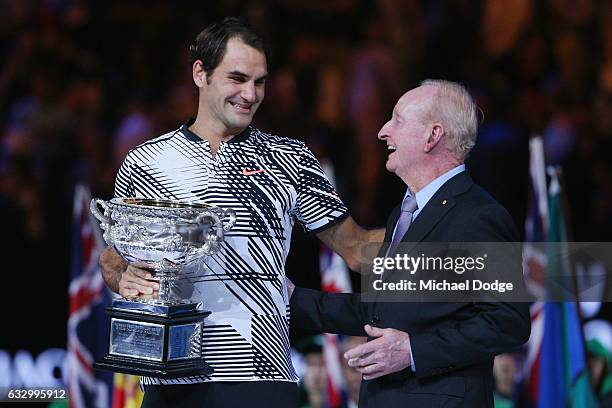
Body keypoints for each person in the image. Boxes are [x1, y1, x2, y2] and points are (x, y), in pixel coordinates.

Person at [98, 17, 383, 408]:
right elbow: (114, 259)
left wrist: (470, 265)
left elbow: (357, 247)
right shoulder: (146, 161)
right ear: (201, 73)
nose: (250, 94)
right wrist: (124, 275)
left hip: (260, 374)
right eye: (237, 78)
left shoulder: (291, 159)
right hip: (171, 376)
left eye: (260, 81)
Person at [287, 79, 531, 407]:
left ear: (433, 135)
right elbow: (377, 311)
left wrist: (412, 351)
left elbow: (506, 321)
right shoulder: (404, 213)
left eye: (398, 120)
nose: (382, 131)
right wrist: (291, 298)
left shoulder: (479, 217)